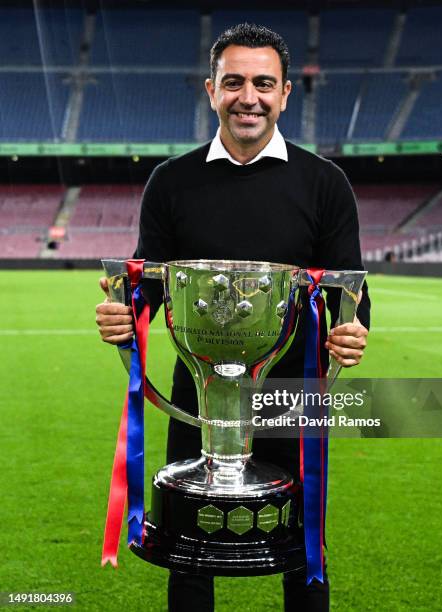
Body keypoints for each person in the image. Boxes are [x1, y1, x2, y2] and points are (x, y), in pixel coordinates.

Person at [96, 23, 370, 612]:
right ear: (211, 90)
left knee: (301, 543)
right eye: (235, 82)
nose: (250, 96)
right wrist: (126, 315)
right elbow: (152, 284)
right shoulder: (171, 181)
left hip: (294, 392)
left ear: (286, 93)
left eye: (264, 83)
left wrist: (351, 331)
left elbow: (349, 286)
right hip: (198, 389)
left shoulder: (325, 183)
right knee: (189, 545)